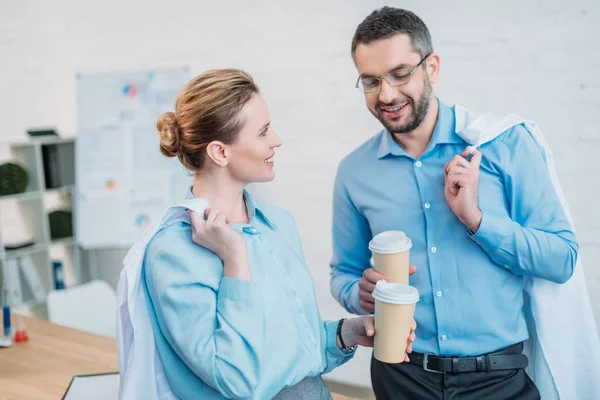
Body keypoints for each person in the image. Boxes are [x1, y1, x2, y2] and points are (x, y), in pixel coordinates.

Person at [330, 7, 600, 400]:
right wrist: (361, 292)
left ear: (432, 67)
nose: (386, 94)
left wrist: (476, 219)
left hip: (499, 379)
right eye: (371, 81)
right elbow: (344, 273)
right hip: (400, 378)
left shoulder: (504, 144)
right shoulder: (355, 172)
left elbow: (562, 260)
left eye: (400, 74)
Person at [116, 68, 417, 400]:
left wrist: (349, 332)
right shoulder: (172, 252)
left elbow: (291, 348)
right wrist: (235, 261)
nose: (277, 140)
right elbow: (237, 379)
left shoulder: (277, 224)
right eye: (262, 132)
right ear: (220, 152)